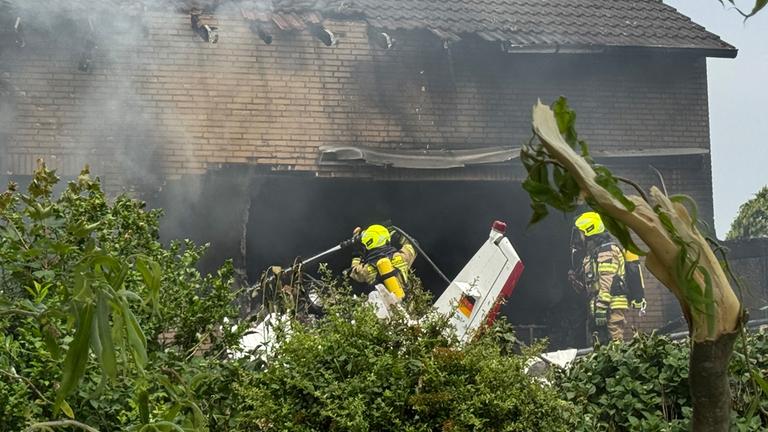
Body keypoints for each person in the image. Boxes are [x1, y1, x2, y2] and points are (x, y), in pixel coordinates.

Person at [570, 211, 629, 342]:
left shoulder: (606, 252)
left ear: (589, 230)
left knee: (614, 340)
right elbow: (592, 282)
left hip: (611, 305)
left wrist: (601, 307)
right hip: (599, 303)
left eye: (580, 233)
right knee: (600, 342)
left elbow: (606, 281)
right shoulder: (593, 254)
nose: (578, 237)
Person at [348, 224, 416, 316]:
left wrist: (356, 250)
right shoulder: (401, 257)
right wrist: (397, 235)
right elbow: (413, 245)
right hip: (408, 309)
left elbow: (353, 272)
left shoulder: (365, 270)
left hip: (387, 315)